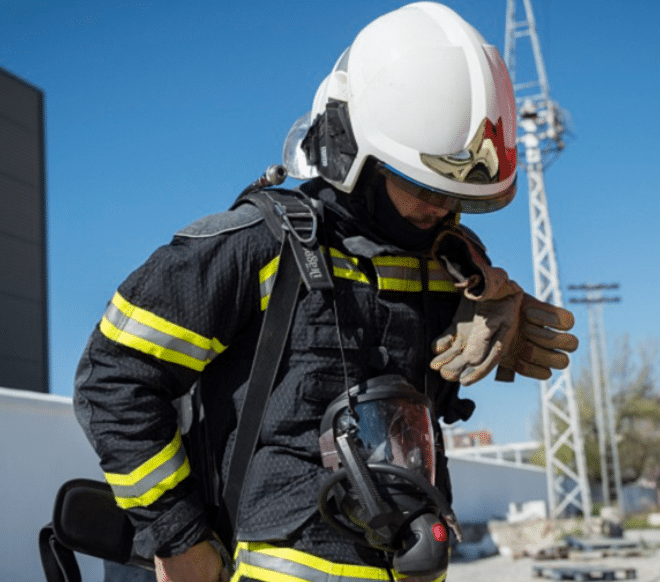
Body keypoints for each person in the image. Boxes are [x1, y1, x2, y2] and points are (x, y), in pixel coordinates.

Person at [73, 3, 578, 582]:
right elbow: (114, 379)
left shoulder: (449, 264)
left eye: (458, 195)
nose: (443, 208)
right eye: (423, 187)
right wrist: (179, 539)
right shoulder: (256, 248)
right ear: (354, 153)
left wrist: (489, 301)